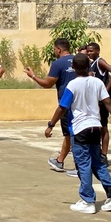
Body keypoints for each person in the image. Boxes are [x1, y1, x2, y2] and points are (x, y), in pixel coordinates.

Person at [45, 52, 111, 214]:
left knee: (83, 164)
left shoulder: (73, 85)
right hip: (96, 127)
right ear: (89, 66)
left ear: (73, 67)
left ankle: (87, 200)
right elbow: (108, 102)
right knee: (97, 163)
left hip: (80, 129)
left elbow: (62, 107)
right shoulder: (97, 82)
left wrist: (51, 125)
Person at [25, 38, 76, 174]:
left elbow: (47, 84)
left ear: (58, 49)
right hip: (83, 102)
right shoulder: (80, 60)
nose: (54, 52)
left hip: (66, 103)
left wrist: (33, 76)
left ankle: (79, 167)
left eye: (54, 49)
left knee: (71, 135)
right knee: (72, 134)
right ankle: (60, 161)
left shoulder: (58, 64)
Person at [87, 41, 111, 164]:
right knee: (96, 126)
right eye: (88, 51)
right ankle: (96, 152)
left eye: (91, 51)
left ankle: (103, 154)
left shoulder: (100, 61)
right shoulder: (91, 64)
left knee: (103, 127)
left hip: (103, 101)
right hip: (96, 100)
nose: (89, 53)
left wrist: (106, 88)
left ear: (98, 51)